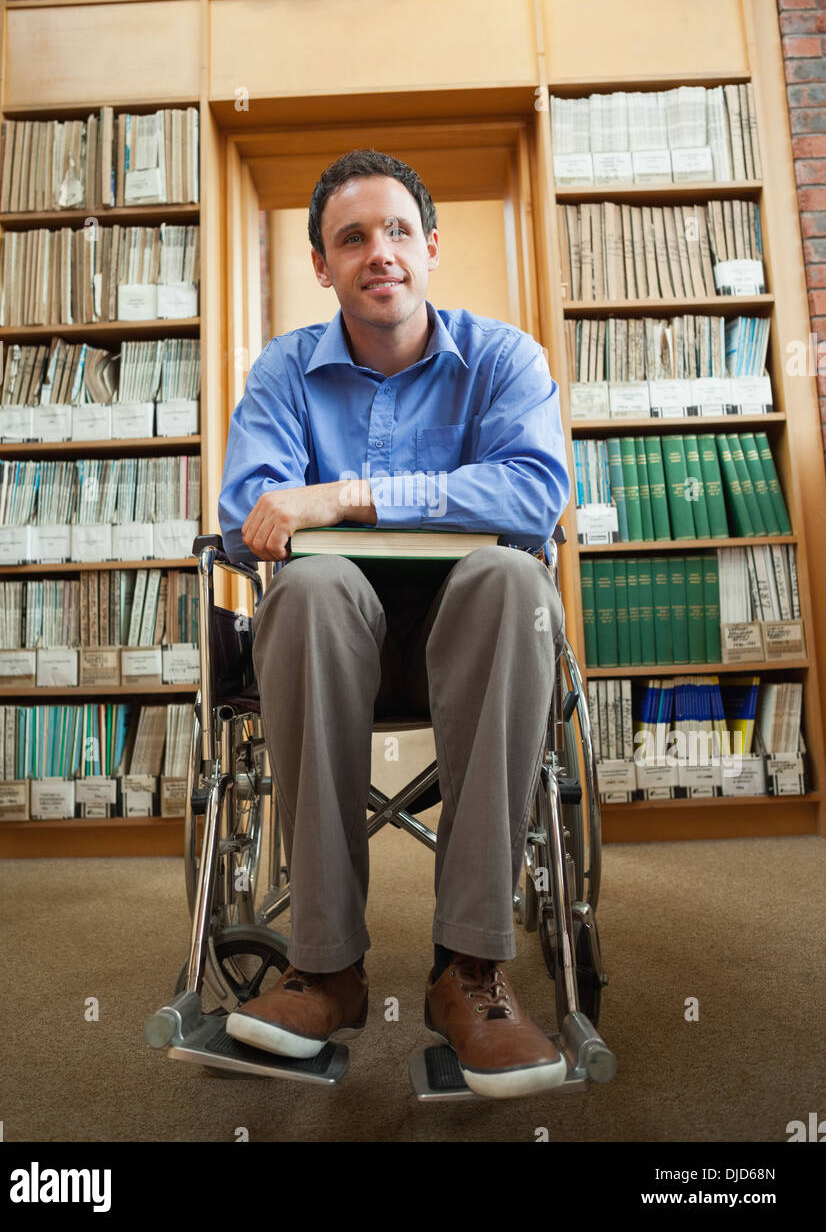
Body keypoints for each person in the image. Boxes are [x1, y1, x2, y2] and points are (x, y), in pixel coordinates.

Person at [217, 149, 571, 1098]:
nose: (380, 252)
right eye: (352, 237)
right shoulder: (286, 369)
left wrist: (347, 497)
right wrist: (311, 517)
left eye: (399, 232)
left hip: (479, 646)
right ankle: (325, 966)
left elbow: (533, 491)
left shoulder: (504, 358)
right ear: (322, 265)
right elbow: (251, 510)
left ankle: (470, 970)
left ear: (432, 248)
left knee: (510, 579)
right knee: (309, 586)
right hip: (328, 651)